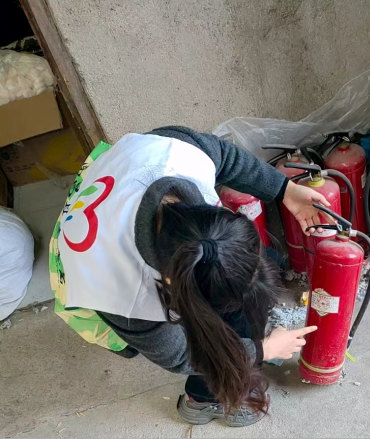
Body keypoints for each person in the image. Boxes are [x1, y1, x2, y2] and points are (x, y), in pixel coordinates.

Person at [49, 126, 331, 427]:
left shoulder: (178, 153)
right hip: (81, 275)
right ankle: (203, 400)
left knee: (261, 271)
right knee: (225, 323)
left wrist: (284, 190)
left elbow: (227, 157)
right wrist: (262, 349)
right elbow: (181, 355)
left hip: (111, 207)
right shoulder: (120, 292)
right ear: (173, 285)